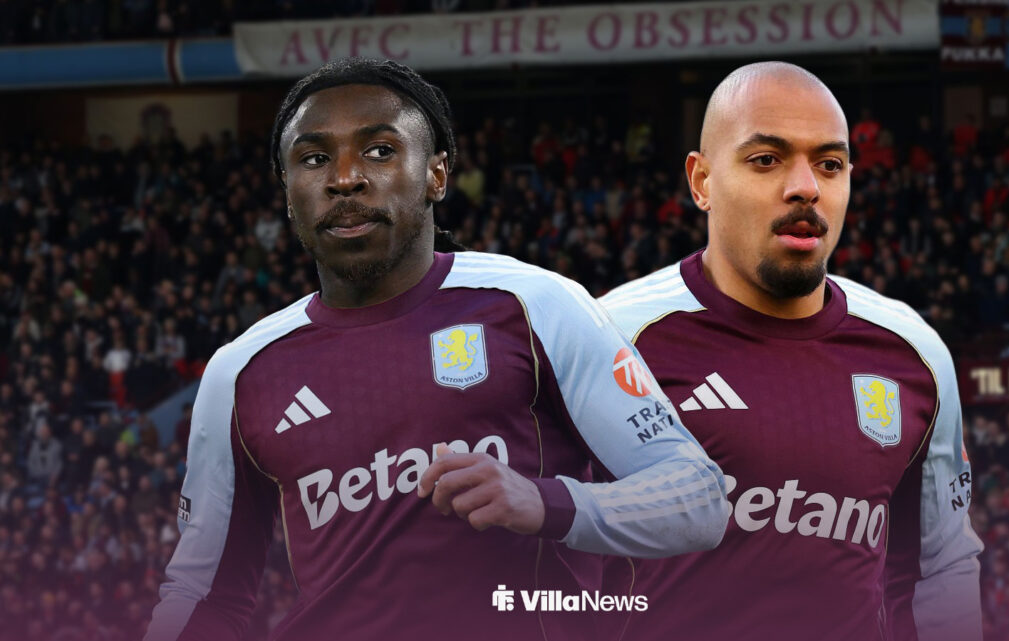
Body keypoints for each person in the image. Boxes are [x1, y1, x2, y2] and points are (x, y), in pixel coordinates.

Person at [145, 58, 729, 641]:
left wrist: (547, 502)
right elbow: (201, 595)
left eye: (379, 150)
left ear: (437, 175)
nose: (344, 178)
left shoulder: (535, 306)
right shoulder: (241, 371)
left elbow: (697, 499)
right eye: (315, 157)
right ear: (288, 190)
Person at [600, 62, 982, 641]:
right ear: (701, 182)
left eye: (830, 165)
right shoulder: (609, 339)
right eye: (766, 159)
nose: (806, 186)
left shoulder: (915, 354)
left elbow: (942, 567)